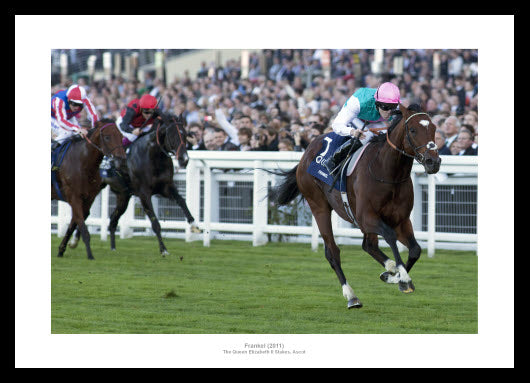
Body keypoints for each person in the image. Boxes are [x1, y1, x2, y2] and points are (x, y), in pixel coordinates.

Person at [322, 82, 401, 174]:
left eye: (393, 107)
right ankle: (333, 160)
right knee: (366, 136)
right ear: (377, 103)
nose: (389, 112)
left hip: (373, 119)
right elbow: (336, 125)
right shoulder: (358, 103)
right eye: (386, 107)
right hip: (356, 117)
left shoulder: (397, 107)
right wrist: (352, 131)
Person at [51, 84, 99, 149]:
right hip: (53, 116)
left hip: (68, 116)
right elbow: (61, 120)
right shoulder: (59, 100)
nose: (76, 107)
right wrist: (77, 129)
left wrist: (96, 127)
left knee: (80, 135)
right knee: (67, 133)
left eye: (79, 104)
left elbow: (93, 114)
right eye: (74, 104)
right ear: (68, 100)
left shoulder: (85, 99)